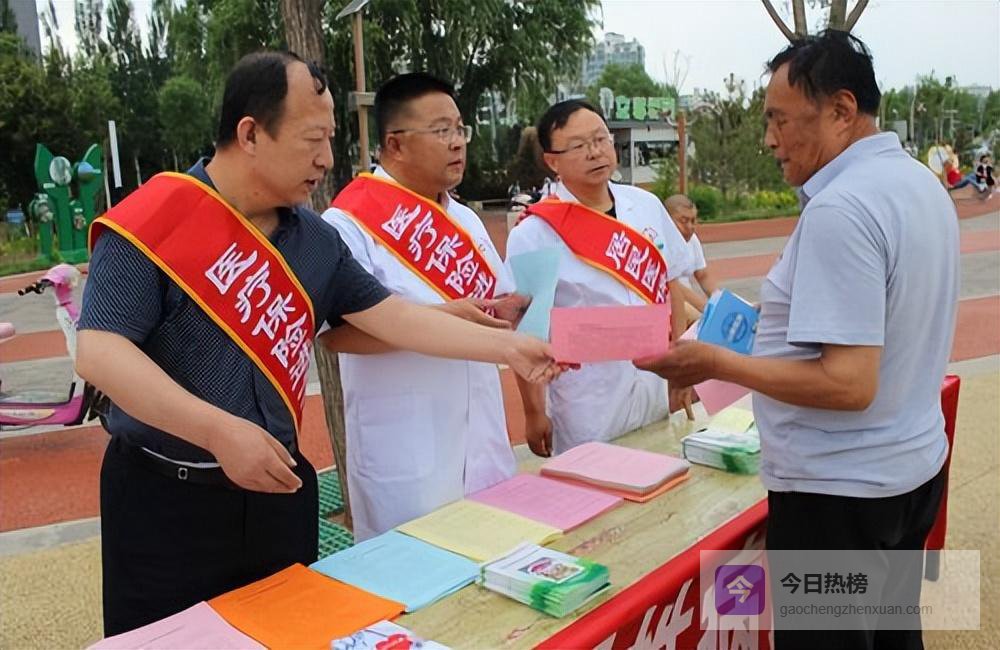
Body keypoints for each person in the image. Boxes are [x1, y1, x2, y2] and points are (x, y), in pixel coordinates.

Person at [77, 51, 560, 636]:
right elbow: (100, 352)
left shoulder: (314, 239)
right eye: (313, 140)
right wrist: (218, 432)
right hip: (165, 499)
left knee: (293, 636)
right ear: (250, 134)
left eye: (331, 139)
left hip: (277, 494)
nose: (327, 159)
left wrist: (509, 349)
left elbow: (394, 318)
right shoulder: (155, 219)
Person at [635, 31, 958, 649]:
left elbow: (848, 384)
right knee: (892, 635)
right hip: (909, 473)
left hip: (839, 498)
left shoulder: (842, 209)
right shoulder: (919, 184)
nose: (769, 139)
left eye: (779, 120)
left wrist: (715, 362)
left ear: (841, 110)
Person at [320, 73, 527, 541]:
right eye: (441, 131)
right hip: (406, 451)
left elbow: (499, 303)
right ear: (395, 143)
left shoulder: (466, 219)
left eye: (460, 129)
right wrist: (449, 316)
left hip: (485, 441)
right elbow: (336, 337)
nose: (457, 142)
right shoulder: (348, 222)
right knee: (413, 572)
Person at [505, 100, 692, 458]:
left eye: (600, 139)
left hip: (651, 381)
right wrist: (533, 411)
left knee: (659, 470)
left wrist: (680, 367)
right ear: (553, 161)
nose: (595, 152)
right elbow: (526, 329)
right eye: (578, 146)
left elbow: (672, 286)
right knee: (594, 482)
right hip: (588, 397)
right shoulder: (534, 232)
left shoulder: (646, 205)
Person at [664, 193, 718, 325]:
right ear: (666, 220)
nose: (690, 227)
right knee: (703, 322)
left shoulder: (692, 240)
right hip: (668, 300)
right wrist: (706, 309)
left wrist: (720, 302)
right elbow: (672, 285)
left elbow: (703, 276)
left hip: (688, 303)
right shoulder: (659, 242)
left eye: (693, 221)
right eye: (683, 221)